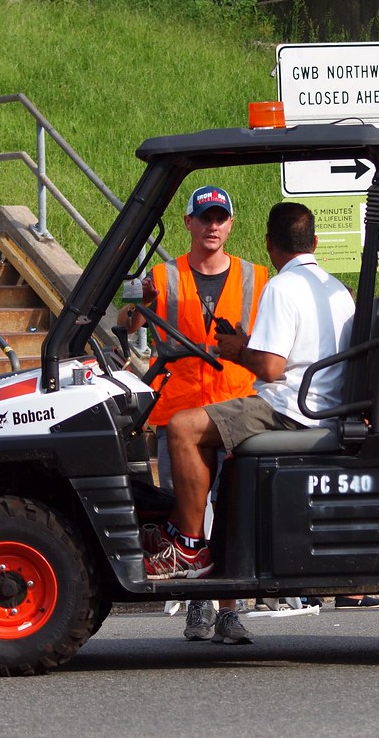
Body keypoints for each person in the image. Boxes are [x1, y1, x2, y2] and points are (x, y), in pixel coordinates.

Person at [143, 203, 356, 617]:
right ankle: (189, 547)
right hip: (322, 405)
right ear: (314, 242)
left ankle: (187, 547)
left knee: (183, 427)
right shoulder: (336, 290)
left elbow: (272, 368)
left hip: (287, 407)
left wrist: (239, 349)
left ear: (269, 244)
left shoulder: (280, 286)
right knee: (201, 433)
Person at [118, 185, 268, 644]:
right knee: (189, 512)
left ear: (231, 224)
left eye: (221, 218)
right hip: (180, 409)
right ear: (188, 223)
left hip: (234, 408)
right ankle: (199, 605)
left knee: (231, 510)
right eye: (205, 218)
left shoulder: (256, 278)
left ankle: (229, 610)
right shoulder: (163, 277)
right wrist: (132, 301)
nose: (213, 226)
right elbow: (129, 322)